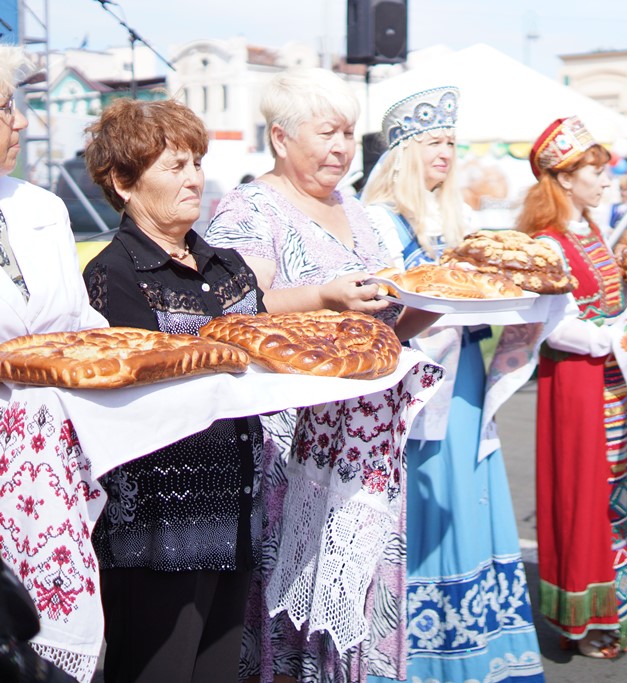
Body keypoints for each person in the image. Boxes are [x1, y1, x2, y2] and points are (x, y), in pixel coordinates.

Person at [205, 67, 438, 682]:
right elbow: (232, 311)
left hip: (365, 446)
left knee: (360, 592)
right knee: (292, 593)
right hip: (291, 448)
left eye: (349, 133)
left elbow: (383, 327)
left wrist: (432, 305)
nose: (341, 147)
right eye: (328, 132)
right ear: (281, 138)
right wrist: (323, 297)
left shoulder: (357, 211)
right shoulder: (253, 206)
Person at [361, 87, 544, 683]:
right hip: (414, 386)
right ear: (404, 152)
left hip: (461, 376)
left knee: (471, 494)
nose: (446, 152)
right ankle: (426, 658)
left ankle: (482, 651)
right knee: (428, 505)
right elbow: (382, 311)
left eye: (450, 143)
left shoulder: (454, 216)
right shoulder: (380, 221)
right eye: (433, 142)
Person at [81, 98, 266, 683]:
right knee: (156, 672)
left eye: (196, 163)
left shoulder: (229, 266)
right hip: (157, 525)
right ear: (123, 182)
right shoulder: (112, 276)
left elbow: (264, 360)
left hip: (237, 504)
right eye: (173, 166)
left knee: (219, 673)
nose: (193, 177)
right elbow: (139, 390)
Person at [518, 116, 627, 657]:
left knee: (619, 492)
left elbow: (607, 303)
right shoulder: (547, 243)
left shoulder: (591, 230)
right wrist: (617, 336)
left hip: (617, 380)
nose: (608, 181)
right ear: (563, 179)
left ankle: (616, 610)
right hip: (579, 384)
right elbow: (550, 327)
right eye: (595, 171)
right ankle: (585, 622)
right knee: (586, 494)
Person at [0, 45, 110, 683]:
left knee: (62, 655)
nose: (22, 123)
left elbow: (80, 328)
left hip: (51, 480)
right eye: (8, 107)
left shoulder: (43, 208)